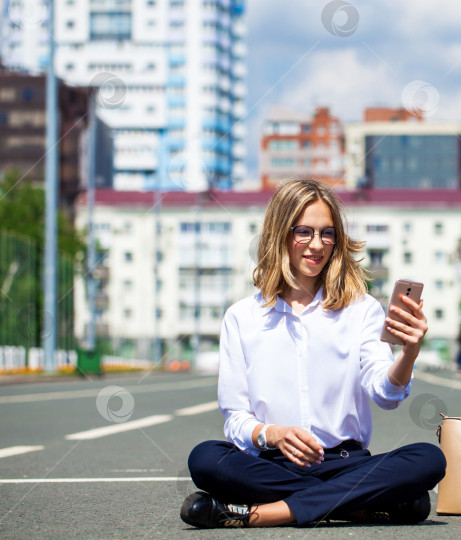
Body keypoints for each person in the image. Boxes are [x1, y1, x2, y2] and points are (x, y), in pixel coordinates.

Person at [181, 179, 446, 529]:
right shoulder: (241, 318)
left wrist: (409, 352)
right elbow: (236, 420)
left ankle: (268, 513)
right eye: (303, 232)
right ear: (279, 234)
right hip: (273, 466)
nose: (317, 245)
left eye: (327, 233)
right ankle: (353, 506)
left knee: (428, 459)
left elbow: (387, 395)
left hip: (347, 462)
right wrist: (271, 434)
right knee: (205, 458)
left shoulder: (361, 309)